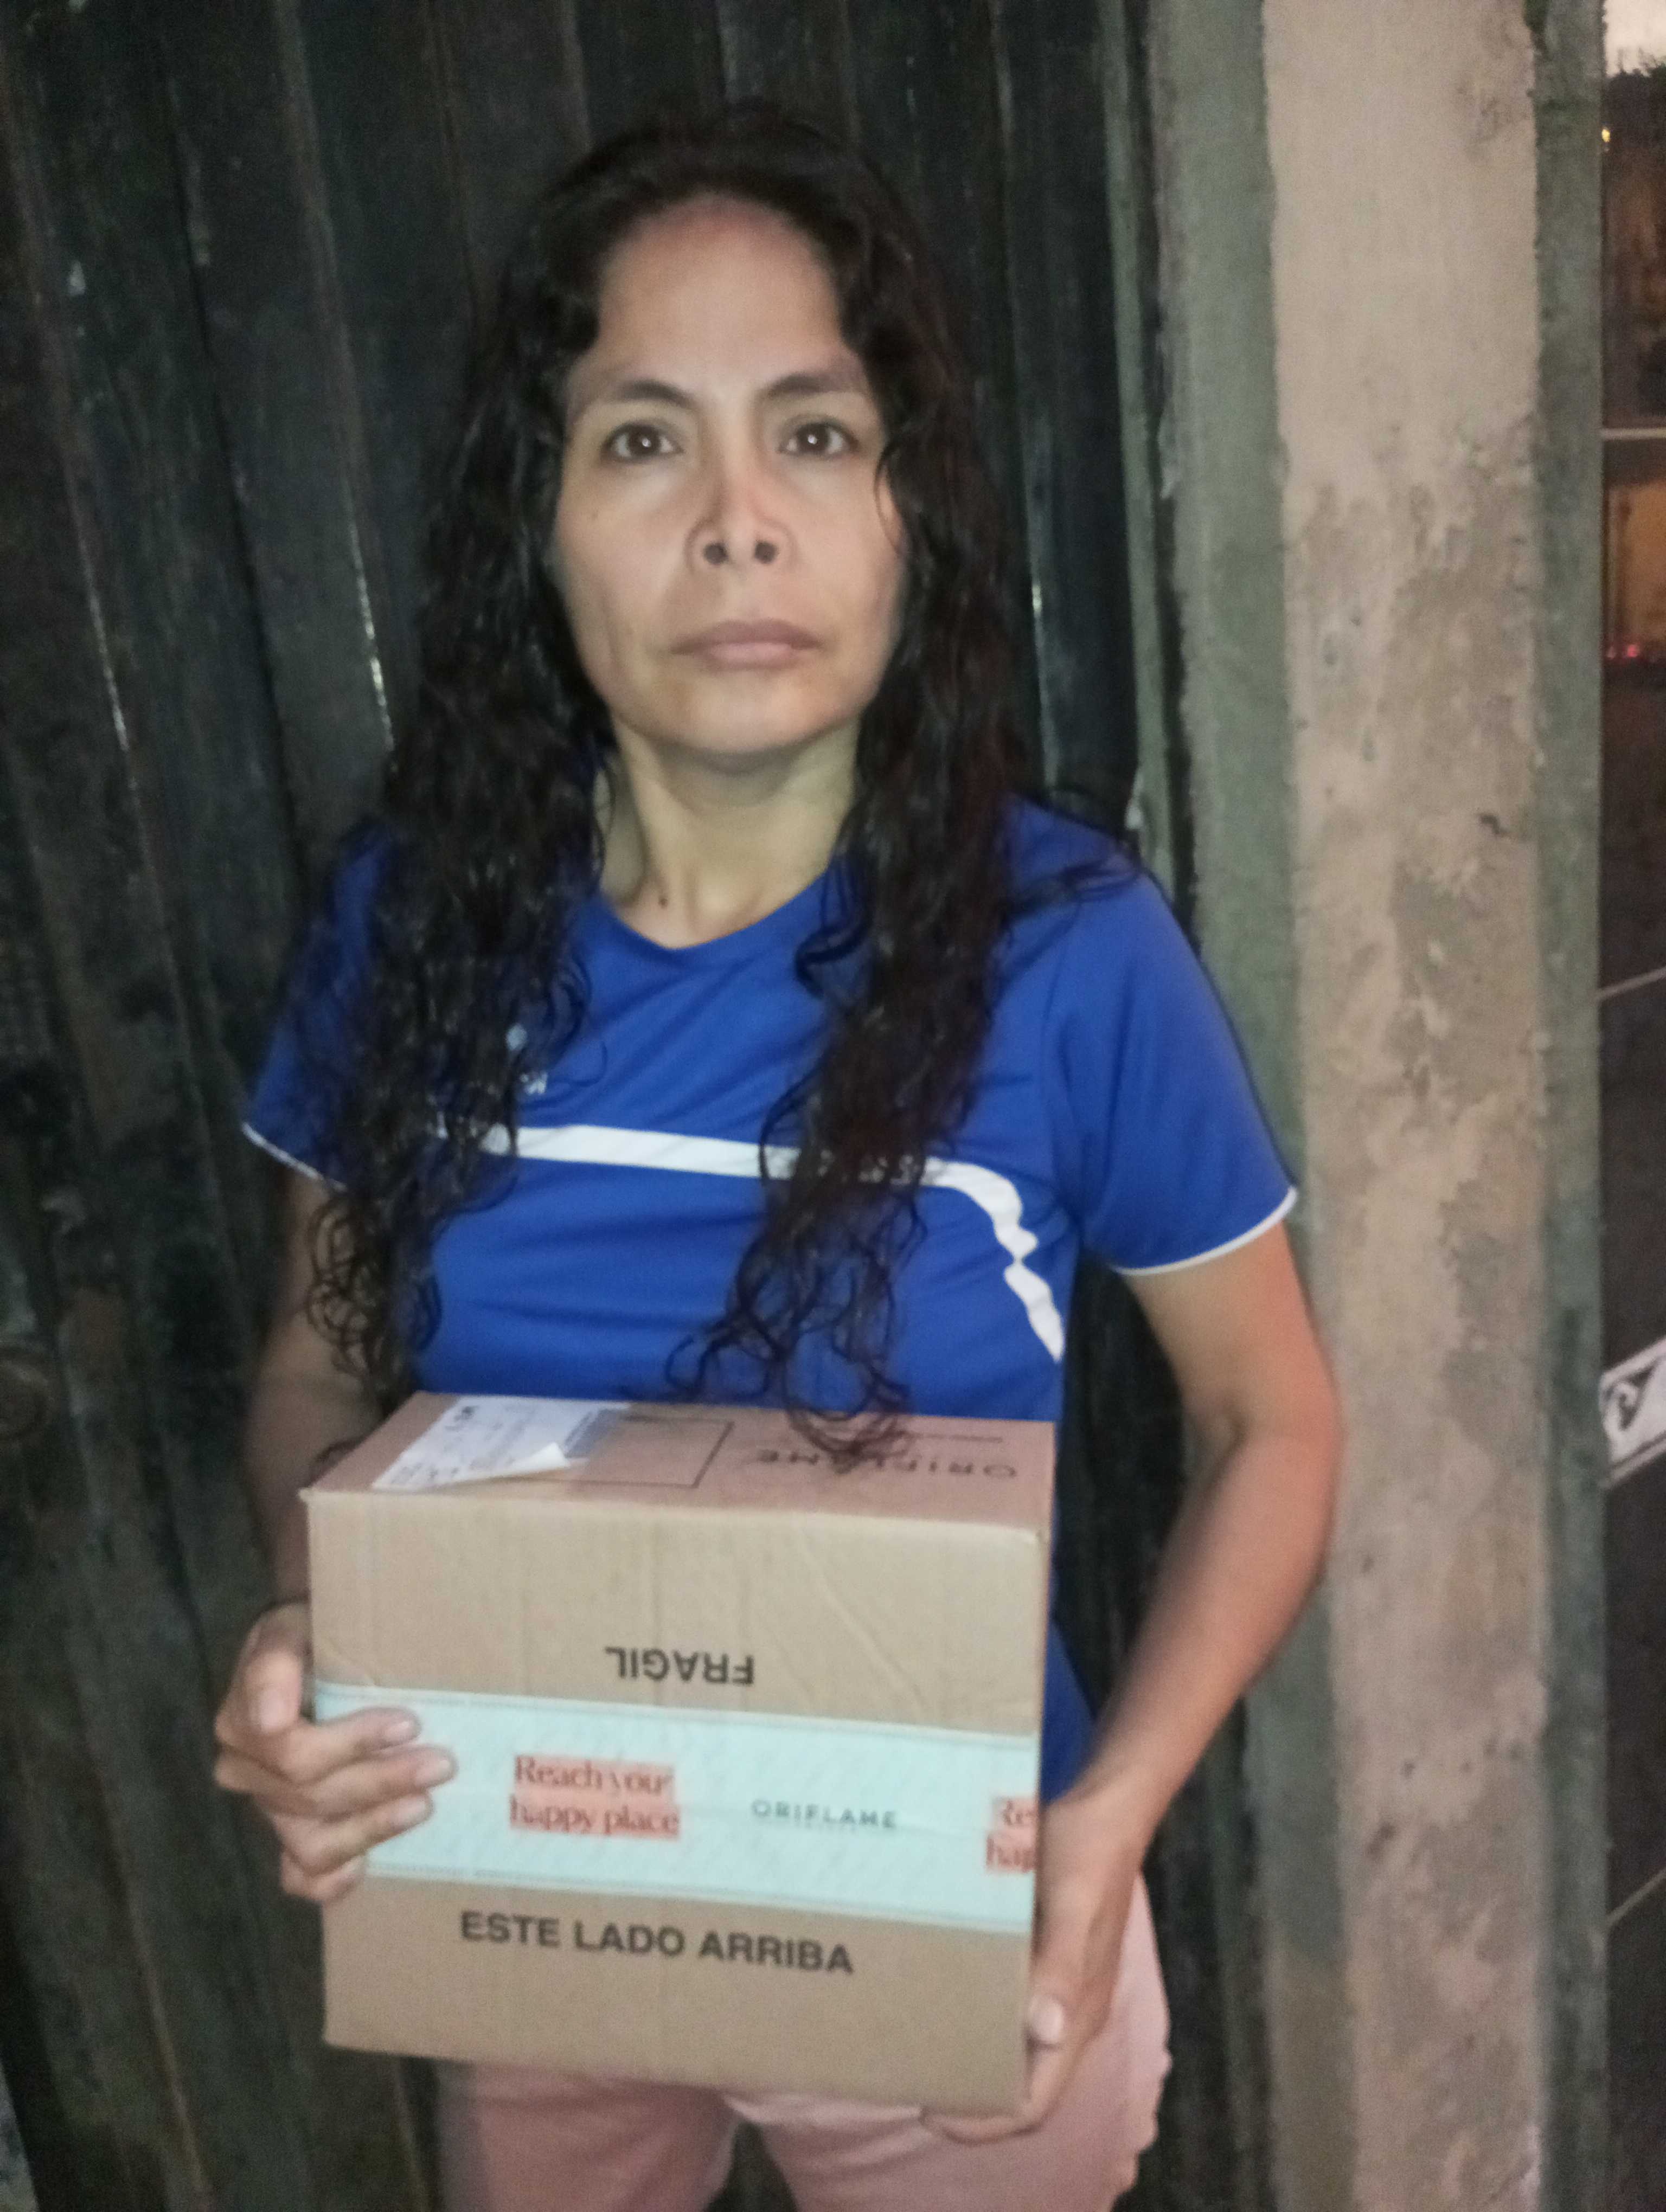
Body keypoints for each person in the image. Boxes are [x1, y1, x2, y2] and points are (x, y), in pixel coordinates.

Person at [212, 104, 1341, 2212]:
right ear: (539, 523)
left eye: (814, 434)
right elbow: (318, 1365)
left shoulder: (1067, 950)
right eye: (645, 439)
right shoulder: (413, 925)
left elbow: (1269, 1421)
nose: (738, 522)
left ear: (910, 513)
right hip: (529, 1879)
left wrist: (1109, 1826)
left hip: (960, 1919)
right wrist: (310, 1617)